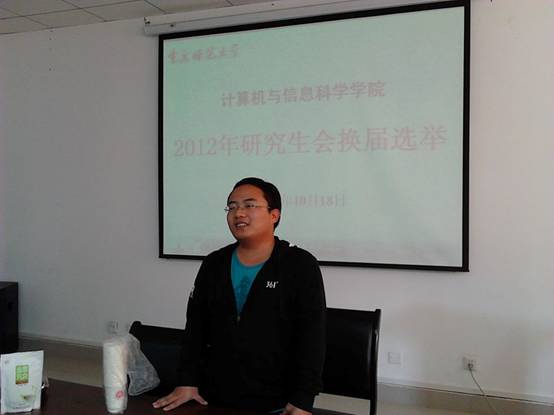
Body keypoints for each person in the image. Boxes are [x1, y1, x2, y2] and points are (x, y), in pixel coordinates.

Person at [153, 177, 326, 414]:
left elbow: (312, 337)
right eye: (232, 207)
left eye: (249, 205)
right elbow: (196, 329)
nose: (238, 213)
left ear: (274, 215)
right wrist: (187, 381)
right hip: (214, 397)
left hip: (276, 401)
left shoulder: (299, 265)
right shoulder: (214, 263)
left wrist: (303, 399)